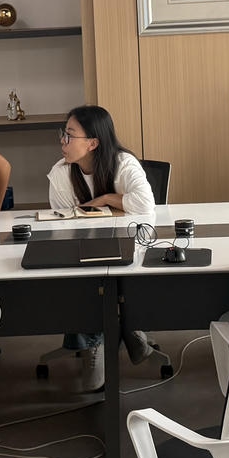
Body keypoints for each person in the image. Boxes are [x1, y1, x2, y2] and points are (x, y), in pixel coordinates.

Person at [47, 105, 159, 391]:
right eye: (63, 133)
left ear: (93, 143)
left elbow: (145, 205)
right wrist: (116, 204)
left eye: (70, 135)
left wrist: (106, 198)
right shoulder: (60, 174)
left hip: (127, 244)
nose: (62, 141)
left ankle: (107, 337)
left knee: (113, 275)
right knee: (84, 277)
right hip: (82, 248)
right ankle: (122, 333)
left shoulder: (123, 163)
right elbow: (64, 224)